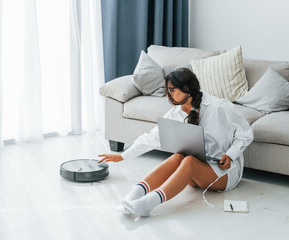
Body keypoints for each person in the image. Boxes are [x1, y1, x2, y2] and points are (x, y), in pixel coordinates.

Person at [98, 68, 253, 217]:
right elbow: (150, 138)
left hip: (224, 173)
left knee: (189, 161)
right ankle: (131, 197)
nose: (168, 95)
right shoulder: (175, 114)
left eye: (171, 90)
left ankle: (148, 204)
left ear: (186, 88)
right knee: (178, 157)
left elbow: (245, 134)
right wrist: (123, 156)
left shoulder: (219, 107)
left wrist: (230, 155)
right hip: (194, 174)